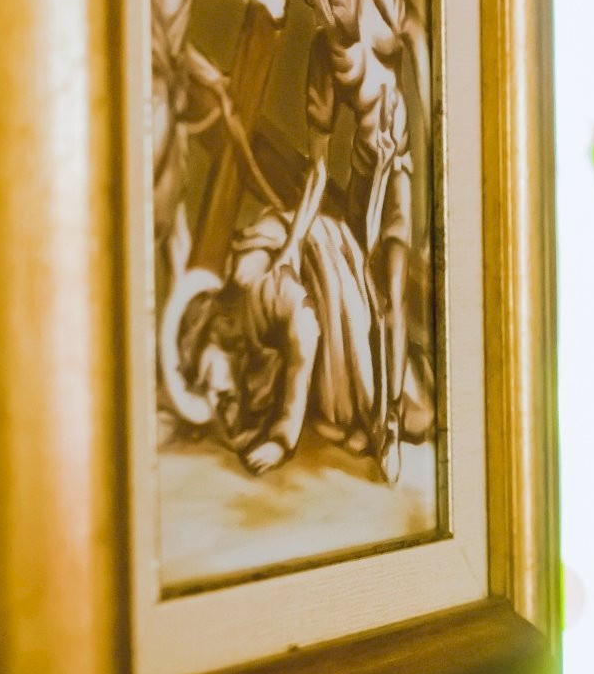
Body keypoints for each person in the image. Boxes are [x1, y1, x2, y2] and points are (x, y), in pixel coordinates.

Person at [160, 158, 435, 477]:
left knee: (389, 411)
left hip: (325, 267)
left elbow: (305, 328)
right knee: (333, 413)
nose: (211, 393)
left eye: (203, 378)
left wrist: (282, 439)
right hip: (297, 267)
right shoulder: (236, 348)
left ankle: (405, 381)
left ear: (210, 333)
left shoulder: (257, 288)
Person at [293, 0, 431, 483]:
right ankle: (376, 411)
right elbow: (318, 166)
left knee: (394, 288)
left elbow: (417, 36)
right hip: (361, 178)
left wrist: (434, 127)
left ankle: (391, 421)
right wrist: (292, 243)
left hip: (399, 169)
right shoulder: (321, 57)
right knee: (364, 303)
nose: (332, 5)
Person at [150, 0, 286, 274]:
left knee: (173, 214)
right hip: (151, 96)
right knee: (152, 211)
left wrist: (208, 74)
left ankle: (190, 309)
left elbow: (166, 36)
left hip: (162, 89)